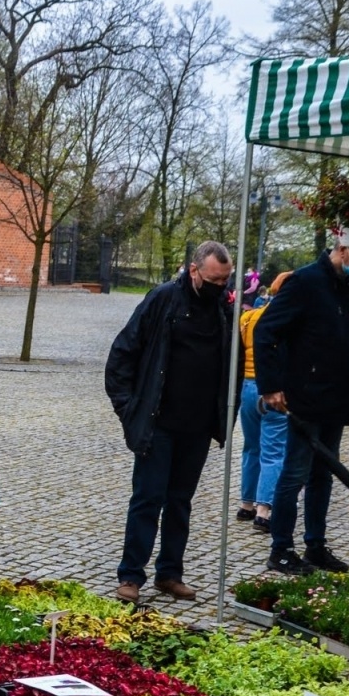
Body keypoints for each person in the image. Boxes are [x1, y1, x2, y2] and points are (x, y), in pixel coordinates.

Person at [105, 241, 240, 603]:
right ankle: (131, 575)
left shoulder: (226, 310)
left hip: (197, 425)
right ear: (194, 270)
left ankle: (170, 573)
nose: (221, 287)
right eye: (214, 280)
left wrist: (225, 416)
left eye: (226, 280)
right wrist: (128, 409)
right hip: (158, 421)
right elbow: (122, 353)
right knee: (148, 499)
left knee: (181, 502)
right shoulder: (163, 300)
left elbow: (234, 367)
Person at [253, 230, 349, 575]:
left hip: (335, 399)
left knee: (325, 475)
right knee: (294, 475)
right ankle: (281, 549)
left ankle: (315, 546)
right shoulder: (304, 281)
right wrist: (271, 386)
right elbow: (266, 331)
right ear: (343, 249)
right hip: (304, 398)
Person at [236, 271, 292, 536]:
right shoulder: (288, 321)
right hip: (273, 390)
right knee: (274, 451)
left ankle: (246, 503)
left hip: (247, 388)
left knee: (251, 448)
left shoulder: (247, 318)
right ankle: (264, 510)